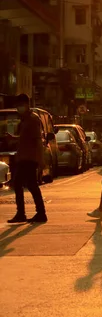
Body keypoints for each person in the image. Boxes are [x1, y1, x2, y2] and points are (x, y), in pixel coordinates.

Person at [7, 94, 47, 224]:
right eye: (17, 106)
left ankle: (28, 213)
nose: (19, 108)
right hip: (23, 157)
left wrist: (41, 160)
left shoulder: (33, 120)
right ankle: (36, 213)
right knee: (28, 185)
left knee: (23, 184)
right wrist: (14, 138)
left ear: (26, 104)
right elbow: (25, 139)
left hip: (29, 158)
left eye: (20, 105)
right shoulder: (24, 120)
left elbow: (38, 140)